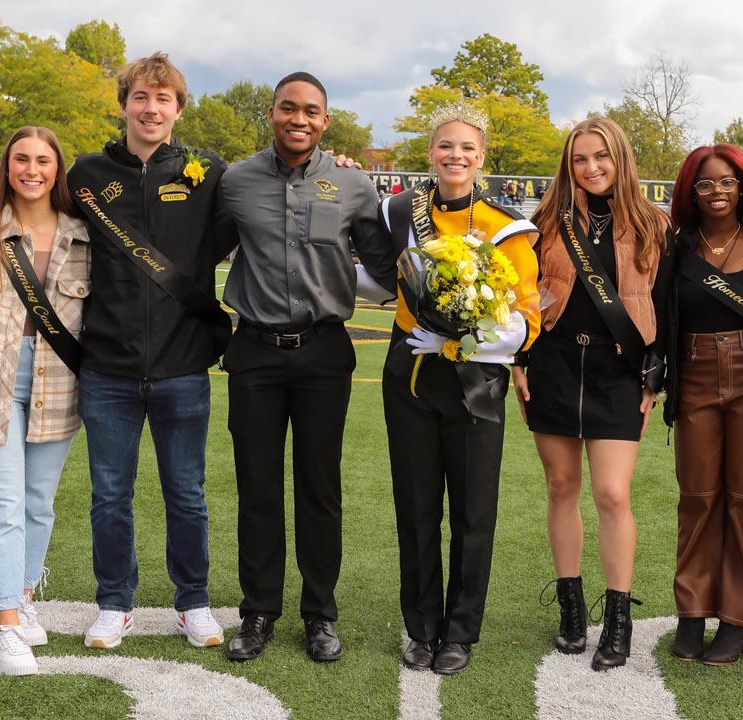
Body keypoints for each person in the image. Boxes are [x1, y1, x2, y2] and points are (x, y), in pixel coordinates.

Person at [220, 72, 395, 663]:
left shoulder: (351, 183)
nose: (299, 119)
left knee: (321, 490)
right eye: (288, 108)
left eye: (311, 111)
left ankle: (320, 612)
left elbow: (386, 265)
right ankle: (258, 611)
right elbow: (198, 255)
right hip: (255, 354)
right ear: (271, 113)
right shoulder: (235, 181)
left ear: (326, 119)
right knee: (258, 489)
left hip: (323, 352)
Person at [368, 103, 540, 675]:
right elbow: (374, 277)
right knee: (416, 509)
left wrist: (456, 342)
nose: (456, 156)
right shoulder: (399, 212)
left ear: (482, 156)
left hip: (477, 384)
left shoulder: (505, 224)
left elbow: (525, 320)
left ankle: (460, 632)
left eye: (467, 147)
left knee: (472, 512)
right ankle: (419, 628)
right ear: (431, 152)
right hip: (411, 378)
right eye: (446, 146)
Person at [66, 52, 229, 652]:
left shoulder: (206, 171)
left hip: (183, 366)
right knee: (109, 494)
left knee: (186, 493)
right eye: (141, 96)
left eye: (163, 99)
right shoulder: (84, 174)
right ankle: (115, 604)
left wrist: (333, 168)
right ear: (124, 103)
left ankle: (194, 603)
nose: (151, 107)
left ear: (178, 109)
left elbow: (262, 210)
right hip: (106, 368)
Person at [513, 116, 672, 671]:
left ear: (620, 158)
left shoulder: (654, 225)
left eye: (600, 156)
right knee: (561, 486)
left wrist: (655, 378)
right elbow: (520, 298)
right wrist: (518, 361)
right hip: (554, 366)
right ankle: (572, 610)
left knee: (611, 494)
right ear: (568, 164)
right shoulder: (542, 222)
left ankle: (619, 617)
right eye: (580, 159)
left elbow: (667, 306)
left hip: (618, 372)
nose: (591, 167)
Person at [0, 127, 89, 675]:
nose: (32, 169)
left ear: (57, 169)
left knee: (38, 504)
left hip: (57, 384)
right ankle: (6, 624)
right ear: (6, 165)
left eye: (43, 160)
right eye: (21, 159)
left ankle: (25, 597)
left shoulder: (84, 234)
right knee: (2, 507)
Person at [663, 144, 743, 665]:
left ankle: (739, 620)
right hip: (692, 373)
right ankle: (692, 614)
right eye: (706, 184)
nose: (717, 192)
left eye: (727, 182)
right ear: (691, 192)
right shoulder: (678, 246)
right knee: (698, 495)